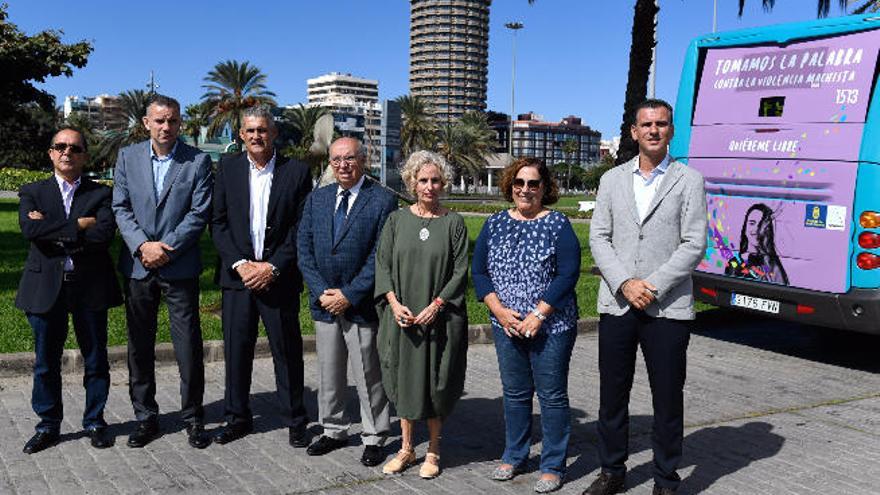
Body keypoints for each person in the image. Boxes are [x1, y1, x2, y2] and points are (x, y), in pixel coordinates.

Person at [585, 99, 707, 495]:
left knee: (668, 398)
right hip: (618, 303)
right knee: (612, 396)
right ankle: (612, 472)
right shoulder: (612, 180)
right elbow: (598, 237)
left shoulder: (689, 180)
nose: (654, 130)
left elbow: (694, 244)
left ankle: (666, 478)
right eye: (646, 124)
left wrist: (649, 285)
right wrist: (624, 283)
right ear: (634, 132)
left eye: (662, 124)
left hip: (667, 307)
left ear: (670, 131)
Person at [472, 157, 581, 494]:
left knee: (551, 397)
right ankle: (515, 454)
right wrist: (500, 312)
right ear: (510, 186)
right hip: (506, 325)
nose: (525, 189)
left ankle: (552, 464)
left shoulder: (559, 224)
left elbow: (567, 274)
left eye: (533, 184)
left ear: (545, 188)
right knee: (515, 394)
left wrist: (539, 314)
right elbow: (479, 273)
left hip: (551, 327)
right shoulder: (494, 224)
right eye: (519, 183)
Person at [112, 94, 213, 449]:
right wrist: (142, 246)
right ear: (146, 124)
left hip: (178, 266)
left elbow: (198, 213)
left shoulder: (197, 161)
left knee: (187, 345)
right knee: (139, 345)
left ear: (180, 123)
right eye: (159, 121)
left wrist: (165, 248)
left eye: (172, 121)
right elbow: (120, 207)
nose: (166, 127)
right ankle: (145, 417)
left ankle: (193, 417)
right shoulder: (127, 157)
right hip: (138, 266)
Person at [16, 128, 123, 454]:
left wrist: (52, 229)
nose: (67, 152)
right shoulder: (33, 191)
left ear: (84, 156)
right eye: (60, 147)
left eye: (75, 148)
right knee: (46, 362)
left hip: (89, 286)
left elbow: (104, 235)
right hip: (46, 288)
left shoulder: (101, 194)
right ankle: (47, 425)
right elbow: (31, 230)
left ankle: (95, 421)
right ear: (50, 153)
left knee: (95, 358)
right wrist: (78, 225)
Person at [211, 106, 313, 446]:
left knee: (287, 351)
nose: (257, 136)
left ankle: (295, 419)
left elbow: (301, 227)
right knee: (236, 351)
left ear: (274, 134)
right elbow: (219, 223)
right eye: (251, 130)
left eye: (263, 130)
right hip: (238, 279)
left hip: (277, 277)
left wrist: (271, 266)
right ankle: (236, 417)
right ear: (241, 134)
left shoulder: (296, 172)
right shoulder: (227, 168)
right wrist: (241, 264)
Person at [297, 137, 397, 467]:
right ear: (330, 162)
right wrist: (322, 291)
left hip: (361, 304)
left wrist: (349, 294)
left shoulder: (382, 201)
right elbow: (304, 249)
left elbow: (380, 256)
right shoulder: (317, 199)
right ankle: (334, 429)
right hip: (324, 302)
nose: (343, 165)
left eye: (350, 158)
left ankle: (374, 435)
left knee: (368, 373)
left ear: (363, 160)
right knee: (329, 371)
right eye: (337, 159)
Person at [374, 151, 469, 479]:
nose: (429, 186)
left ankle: (433, 450)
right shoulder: (396, 220)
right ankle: (405, 448)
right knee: (404, 380)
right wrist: (394, 303)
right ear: (412, 182)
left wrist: (437, 305)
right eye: (423, 180)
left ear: (444, 183)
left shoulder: (453, 222)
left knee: (434, 384)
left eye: (435, 180)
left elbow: (460, 270)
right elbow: (382, 264)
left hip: (438, 318)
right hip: (403, 317)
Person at [725, 203, 789, 285]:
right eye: (752, 223)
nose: (756, 230)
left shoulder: (772, 264)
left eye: (761, 225)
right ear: (745, 227)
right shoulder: (734, 263)